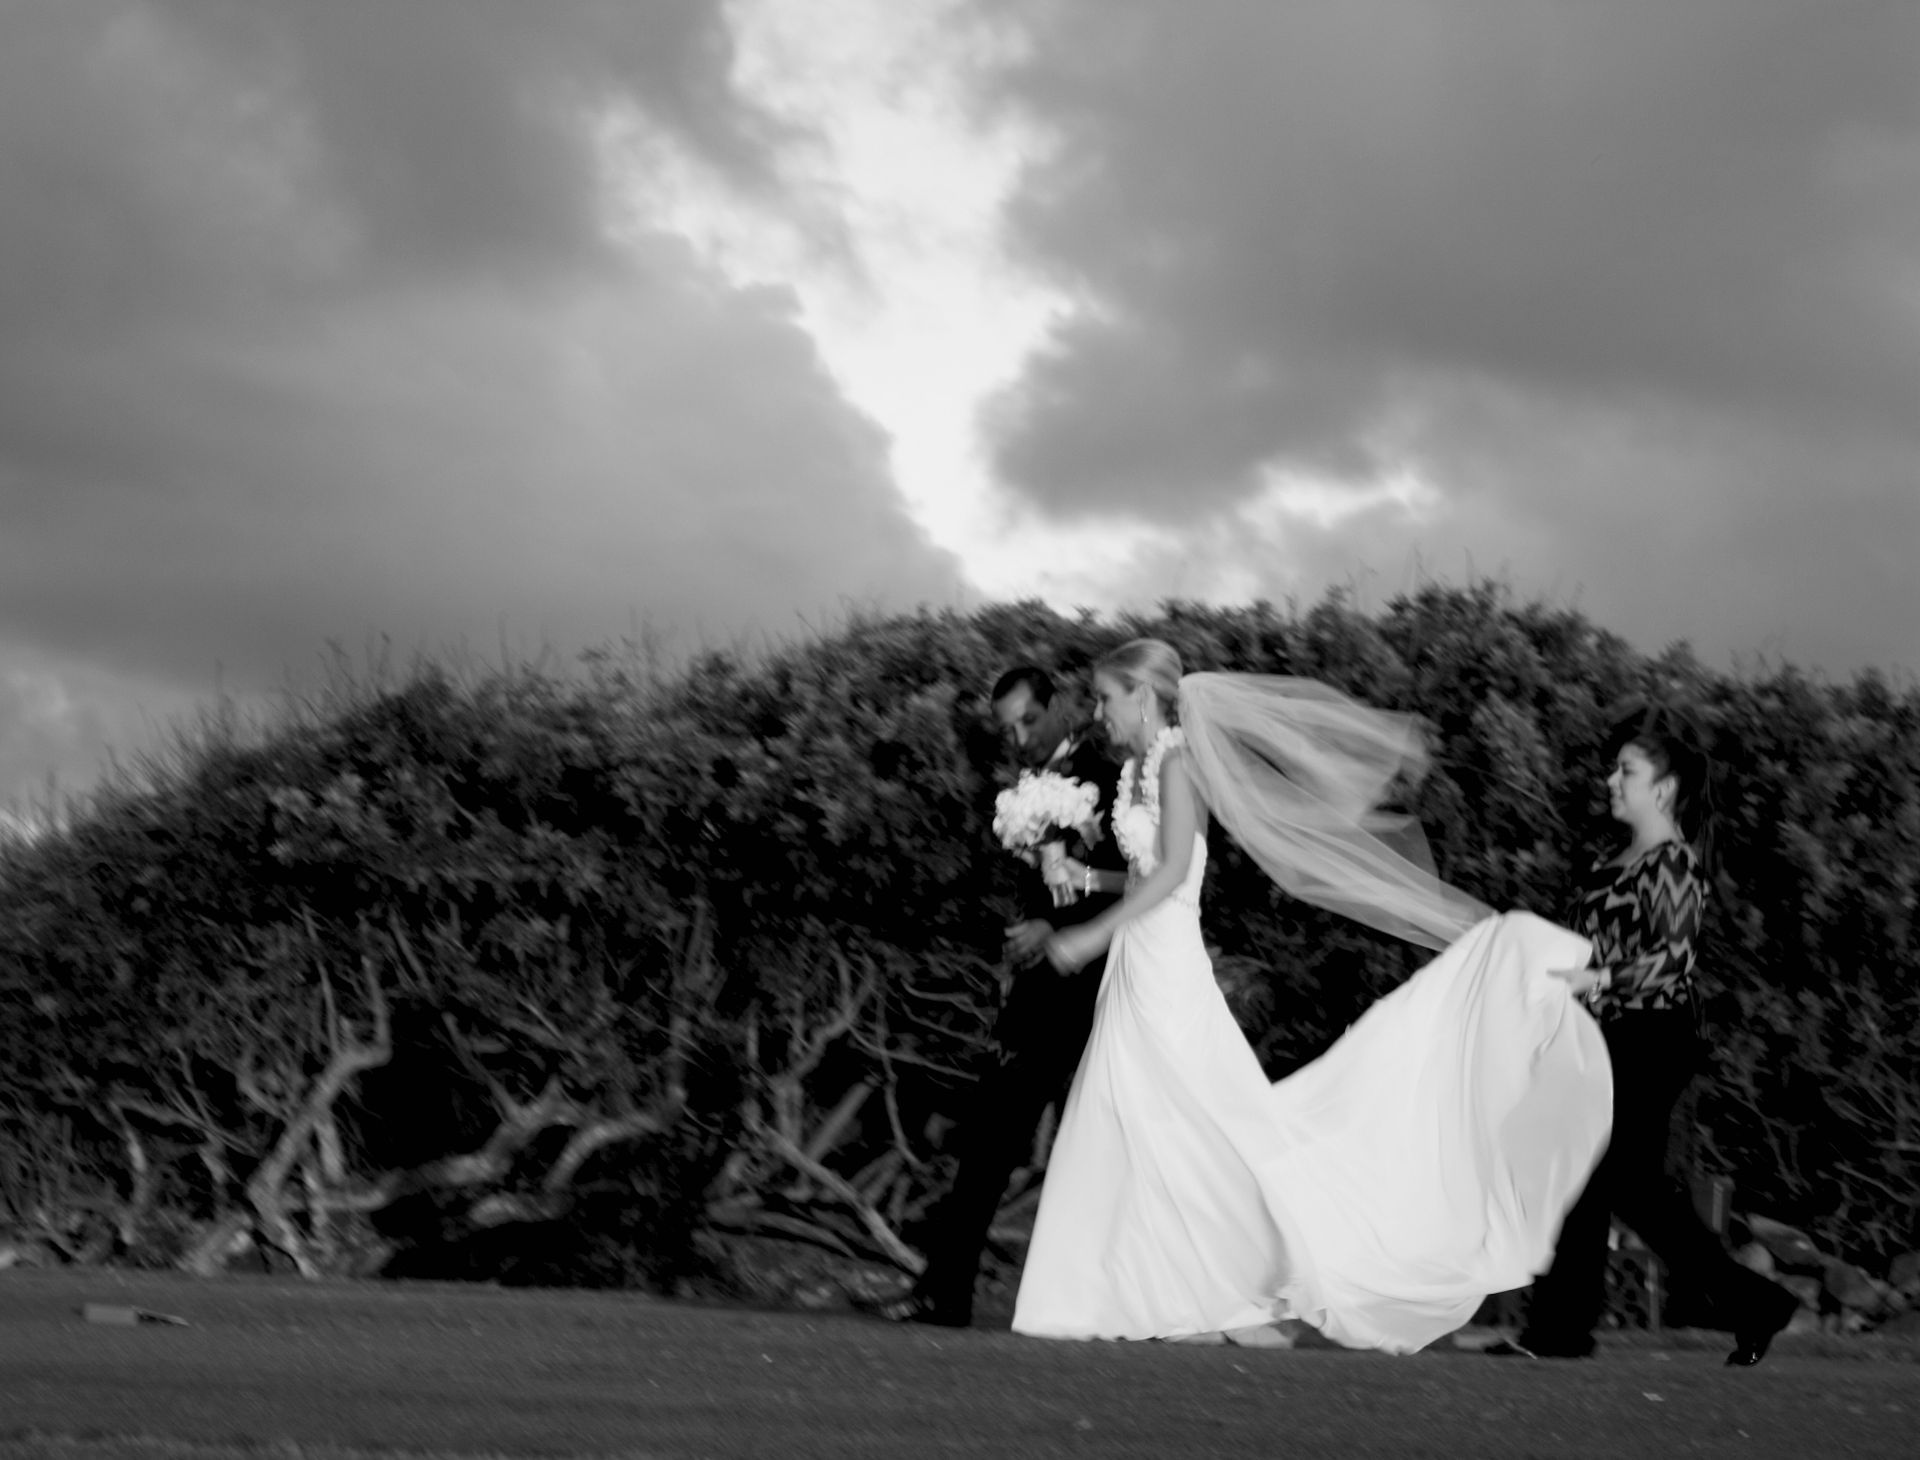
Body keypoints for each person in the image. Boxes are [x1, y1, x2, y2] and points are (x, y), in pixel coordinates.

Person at [1010, 639, 1613, 1352]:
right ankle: (1152, 1289)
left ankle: (1234, 1287)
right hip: (1136, 966)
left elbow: (1175, 872)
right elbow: (1145, 871)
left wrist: (1088, 936)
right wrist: (1086, 884)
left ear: (1143, 697)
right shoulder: (1136, 768)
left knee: (1184, 1122)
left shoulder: (1175, 764)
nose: (1099, 712)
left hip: (1165, 967)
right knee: (1133, 1116)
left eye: (1107, 698)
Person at [1498, 710, 1800, 1366]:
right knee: (1614, 1182)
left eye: (1626, 771)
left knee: (1611, 1178)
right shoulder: (1613, 860)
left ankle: (1563, 1331)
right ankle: (1748, 1306)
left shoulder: (1671, 863)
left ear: (1661, 789)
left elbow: (1675, 960)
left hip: (1651, 1036)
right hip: (1604, 1034)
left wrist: (1594, 978)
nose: (1611, 780)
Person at [855, 664, 1126, 1327]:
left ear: (1060, 706)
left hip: (1097, 991)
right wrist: (1023, 934)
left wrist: (1056, 921)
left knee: (1107, 1152)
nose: (1020, 739)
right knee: (988, 1144)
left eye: (1030, 721)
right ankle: (944, 1293)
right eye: (1008, 730)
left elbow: (1143, 879)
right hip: (1037, 992)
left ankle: (1117, 1299)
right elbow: (1042, 886)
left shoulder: (1113, 777)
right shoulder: (1030, 788)